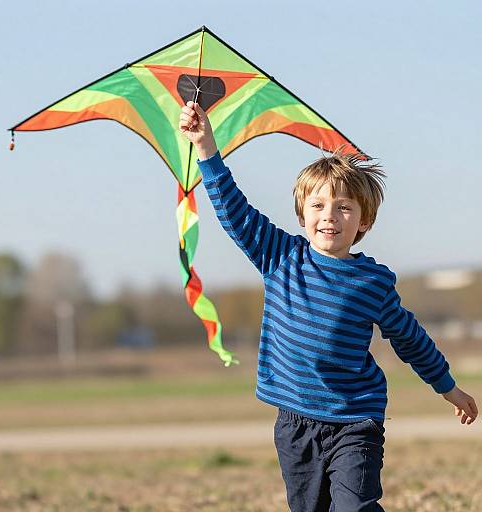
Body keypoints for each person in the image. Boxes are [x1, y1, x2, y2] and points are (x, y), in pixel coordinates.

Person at [179, 101, 478, 512]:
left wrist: (448, 387)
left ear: (364, 222)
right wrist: (206, 146)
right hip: (295, 424)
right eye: (318, 206)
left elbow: (410, 339)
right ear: (302, 215)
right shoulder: (279, 256)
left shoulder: (372, 282)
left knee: (354, 508)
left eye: (344, 207)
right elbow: (235, 211)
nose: (329, 216)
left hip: (357, 420)